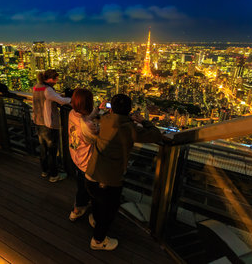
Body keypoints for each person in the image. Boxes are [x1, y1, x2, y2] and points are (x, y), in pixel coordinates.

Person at [85, 94, 162, 251]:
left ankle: (95, 220)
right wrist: (143, 121)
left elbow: (97, 117)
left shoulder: (104, 119)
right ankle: (98, 241)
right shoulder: (130, 129)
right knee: (109, 211)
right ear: (129, 110)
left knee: (97, 203)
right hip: (109, 181)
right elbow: (156, 134)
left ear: (111, 109)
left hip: (90, 174)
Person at [32, 69, 70, 182]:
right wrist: (72, 99)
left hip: (38, 122)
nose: (57, 81)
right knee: (52, 151)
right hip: (48, 124)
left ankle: (45, 171)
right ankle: (54, 175)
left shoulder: (36, 87)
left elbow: (51, 97)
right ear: (50, 79)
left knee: (43, 149)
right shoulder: (48, 90)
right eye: (56, 78)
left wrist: (58, 95)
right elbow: (62, 101)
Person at [68, 88, 99, 221]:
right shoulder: (87, 125)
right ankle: (95, 216)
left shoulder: (72, 113)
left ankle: (77, 209)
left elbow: (84, 118)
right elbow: (98, 137)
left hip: (76, 156)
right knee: (93, 191)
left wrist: (96, 111)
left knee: (81, 187)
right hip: (88, 163)